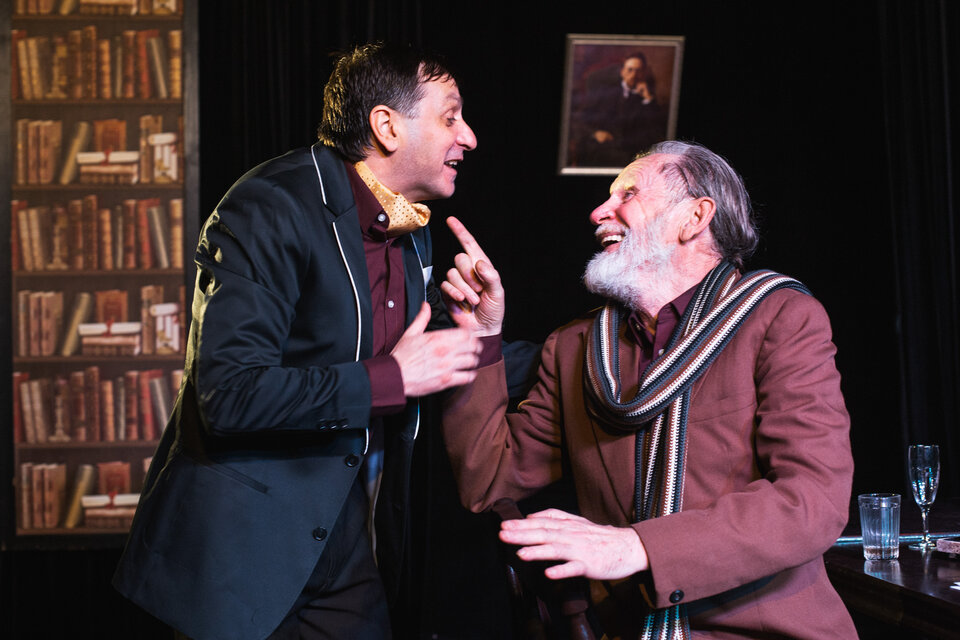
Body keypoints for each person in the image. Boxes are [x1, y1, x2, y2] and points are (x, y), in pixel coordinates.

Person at [113, 42, 498, 640]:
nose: (468, 136)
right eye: (451, 117)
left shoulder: (412, 227)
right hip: (235, 557)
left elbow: (419, 358)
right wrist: (394, 378)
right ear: (387, 127)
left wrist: (485, 332)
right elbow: (229, 396)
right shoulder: (269, 206)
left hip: (346, 545)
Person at [439, 140, 858, 638]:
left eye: (628, 194)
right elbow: (487, 481)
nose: (599, 211)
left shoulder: (780, 319)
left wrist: (637, 548)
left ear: (695, 217)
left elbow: (811, 501)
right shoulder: (575, 347)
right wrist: (482, 339)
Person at [573, 51, 668, 168]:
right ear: (622, 72)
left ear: (643, 73)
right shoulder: (605, 92)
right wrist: (595, 133)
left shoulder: (646, 96)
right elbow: (582, 119)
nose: (633, 75)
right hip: (604, 147)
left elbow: (657, 127)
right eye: (630, 70)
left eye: (638, 71)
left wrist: (648, 99)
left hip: (631, 151)